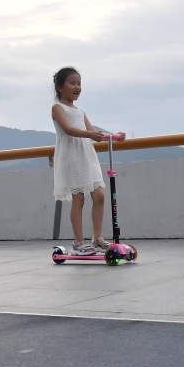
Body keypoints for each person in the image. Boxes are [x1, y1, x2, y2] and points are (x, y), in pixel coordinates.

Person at [51, 67, 125, 256]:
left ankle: (97, 238)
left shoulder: (80, 111)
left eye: (79, 84)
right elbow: (68, 129)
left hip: (87, 154)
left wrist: (114, 136)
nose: (77, 87)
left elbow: (94, 134)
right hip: (72, 156)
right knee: (79, 198)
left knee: (99, 194)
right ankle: (78, 242)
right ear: (60, 87)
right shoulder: (58, 108)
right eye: (72, 83)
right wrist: (90, 134)